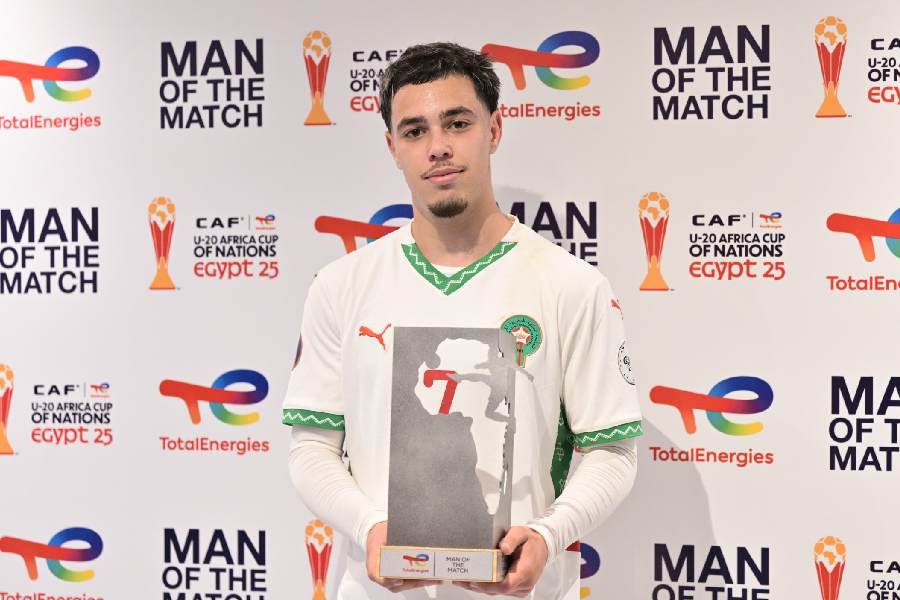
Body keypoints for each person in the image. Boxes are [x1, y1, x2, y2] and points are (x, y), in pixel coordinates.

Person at [284, 42, 642, 599]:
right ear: (393, 148)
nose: (438, 148)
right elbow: (311, 449)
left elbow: (612, 453)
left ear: (494, 130)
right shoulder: (340, 285)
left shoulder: (572, 285)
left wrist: (548, 535)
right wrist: (369, 527)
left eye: (457, 123)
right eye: (414, 131)